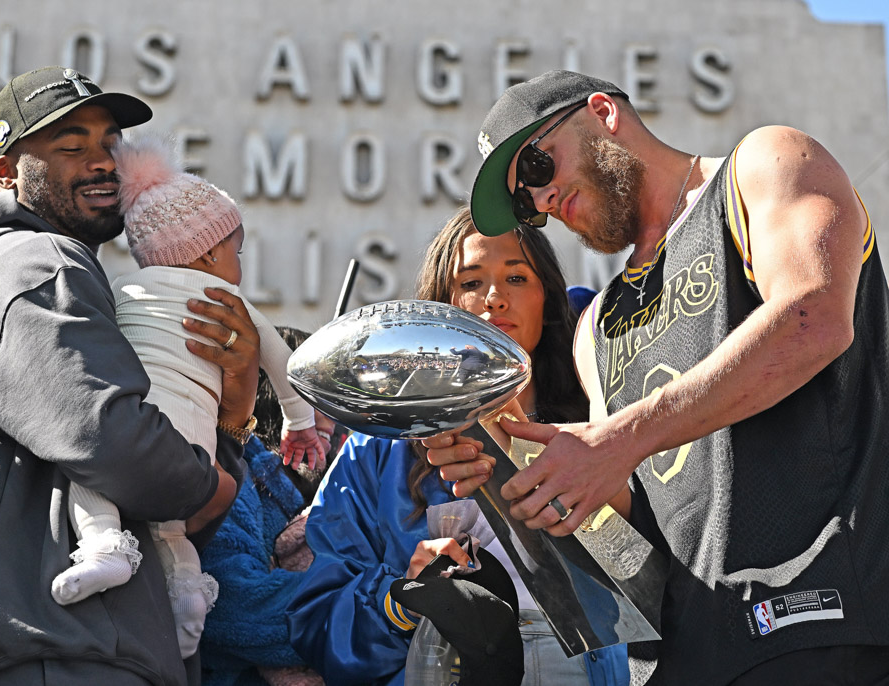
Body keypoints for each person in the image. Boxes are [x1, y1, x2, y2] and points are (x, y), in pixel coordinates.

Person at [427, 69, 889, 684]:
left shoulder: (763, 166)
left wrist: (618, 438)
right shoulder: (596, 326)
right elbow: (636, 516)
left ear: (602, 113)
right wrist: (509, 461)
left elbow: (813, 319)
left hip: (819, 624)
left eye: (537, 169)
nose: (540, 201)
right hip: (682, 657)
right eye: (523, 202)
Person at [0, 66, 259, 686]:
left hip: (60, 645)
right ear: (6, 172)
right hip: (49, 648)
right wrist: (214, 489)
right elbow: (107, 434)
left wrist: (230, 414)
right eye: (70, 146)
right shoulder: (34, 262)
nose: (101, 162)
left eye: (110, 143)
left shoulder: (39, 268)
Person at [287, 206, 627, 686]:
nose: (494, 299)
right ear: (440, 309)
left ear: (547, 298)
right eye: (470, 283)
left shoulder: (601, 416)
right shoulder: (379, 447)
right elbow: (316, 613)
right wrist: (402, 598)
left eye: (516, 277)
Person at [49, 133, 323, 660]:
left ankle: (104, 542)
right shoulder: (230, 300)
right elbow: (287, 367)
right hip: (200, 434)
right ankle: (188, 595)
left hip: (143, 424)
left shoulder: (119, 289)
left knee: (88, 474)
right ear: (212, 251)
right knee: (171, 526)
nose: (239, 265)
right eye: (236, 250)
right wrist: (299, 423)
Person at [201, 326, 345, 686]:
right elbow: (233, 604)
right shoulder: (228, 475)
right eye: (313, 394)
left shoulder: (332, 479)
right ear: (271, 394)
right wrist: (372, 608)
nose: (329, 417)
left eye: (334, 397)